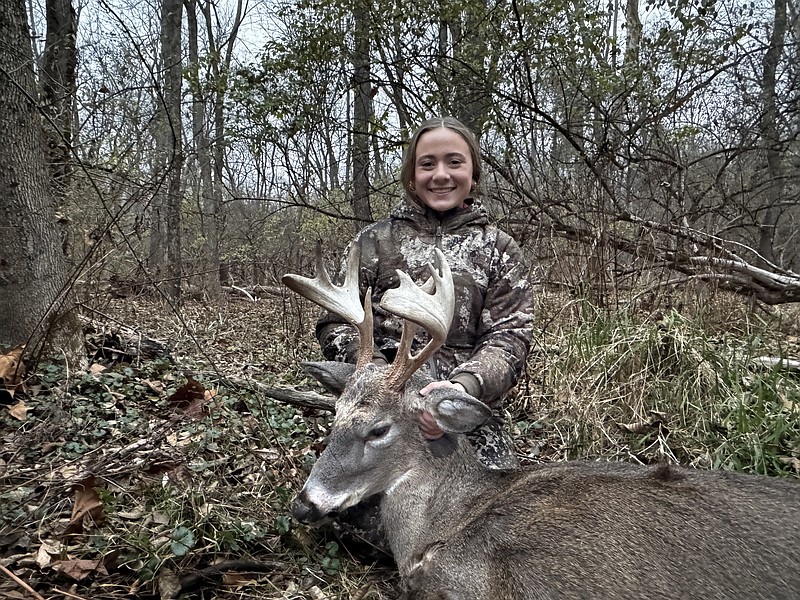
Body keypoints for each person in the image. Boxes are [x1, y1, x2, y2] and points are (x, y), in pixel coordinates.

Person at [316, 116, 535, 469]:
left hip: (455, 409)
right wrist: (374, 376)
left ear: (473, 174)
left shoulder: (499, 249)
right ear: (411, 177)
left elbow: (510, 338)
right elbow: (335, 324)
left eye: (455, 162)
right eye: (427, 164)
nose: (441, 175)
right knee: (352, 512)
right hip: (381, 405)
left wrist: (462, 388)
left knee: (487, 506)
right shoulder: (373, 242)